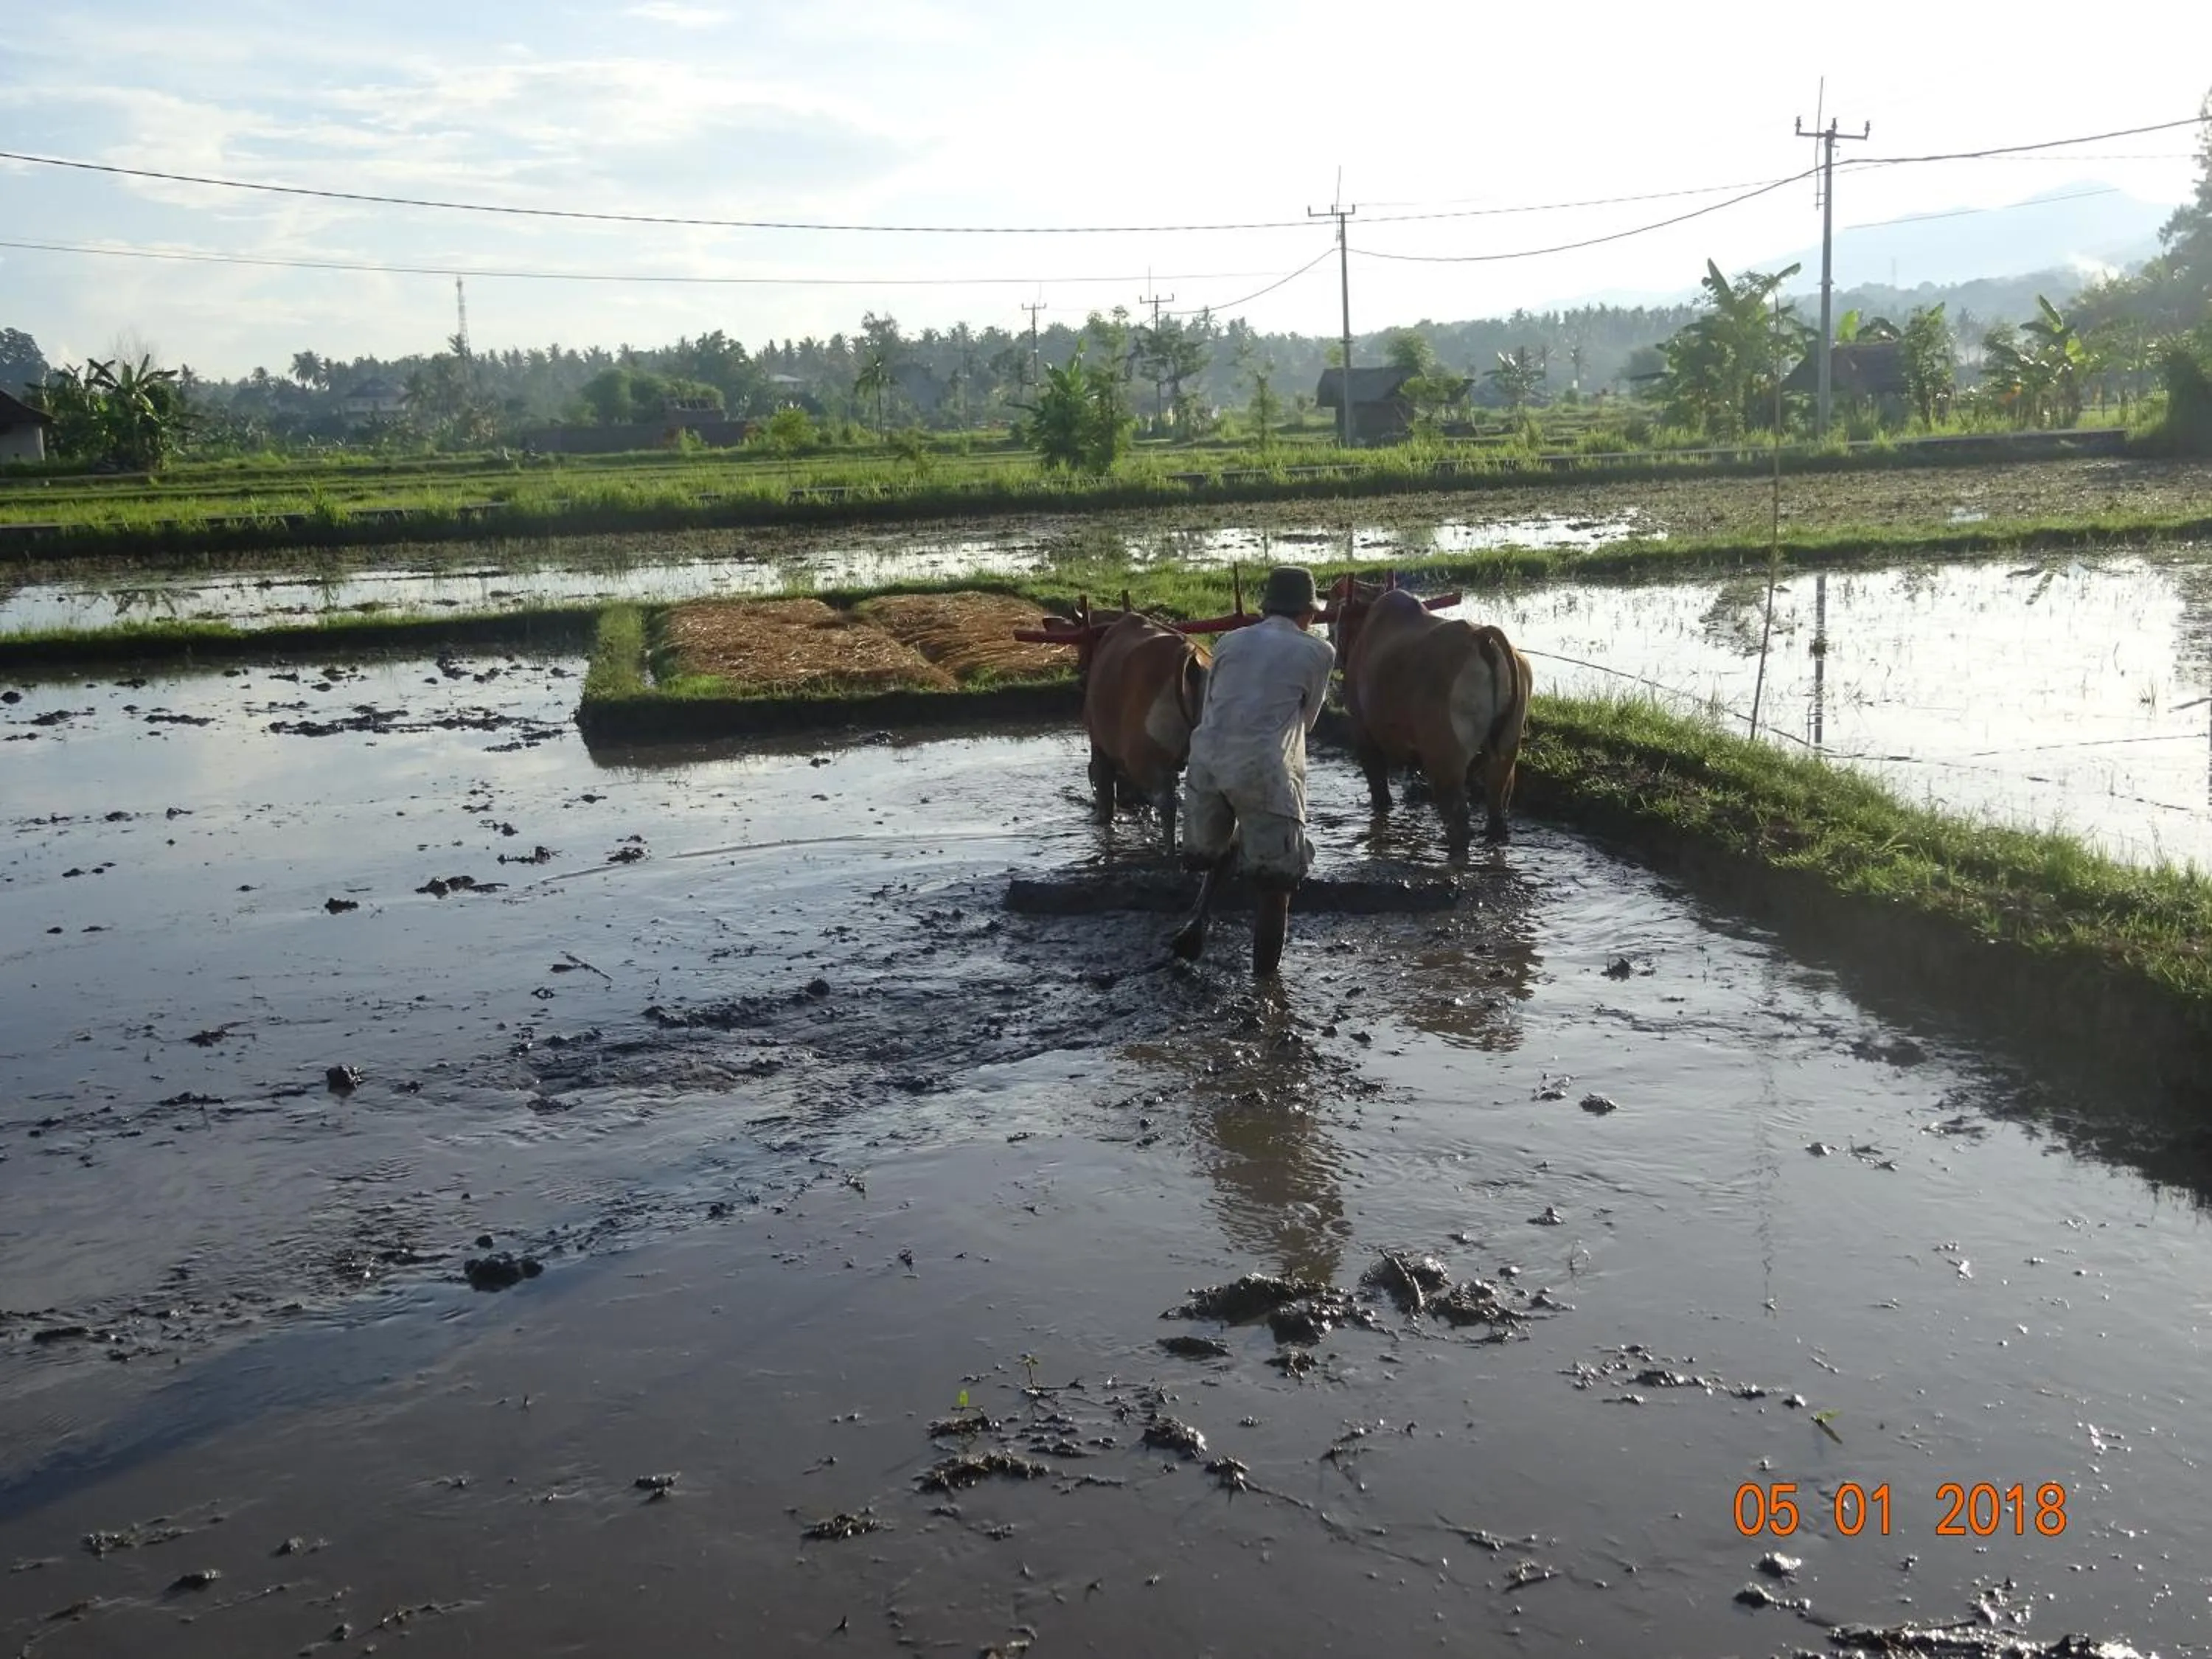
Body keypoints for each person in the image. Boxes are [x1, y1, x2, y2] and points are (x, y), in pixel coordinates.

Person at [1171, 566, 1335, 975]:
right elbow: (1307, 723)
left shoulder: (1229, 641)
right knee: (1276, 887)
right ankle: (1265, 990)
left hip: (1206, 761)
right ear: (1308, 613)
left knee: (1223, 842)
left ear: (1266, 609)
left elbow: (1212, 705)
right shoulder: (1319, 652)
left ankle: (1198, 919)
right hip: (1264, 770)